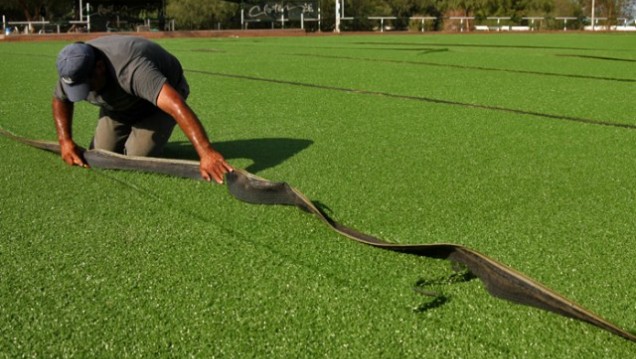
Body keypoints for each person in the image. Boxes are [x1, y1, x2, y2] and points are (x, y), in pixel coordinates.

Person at [52, 35, 232, 183]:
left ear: (99, 68)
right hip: (119, 106)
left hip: (155, 105)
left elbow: (176, 106)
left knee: (137, 157)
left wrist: (206, 152)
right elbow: (60, 100)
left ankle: (148, 134)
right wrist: (65, 141)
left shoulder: (131, 69)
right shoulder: (72, 69)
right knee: (102, 155)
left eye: (87, 84)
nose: (86, 91)